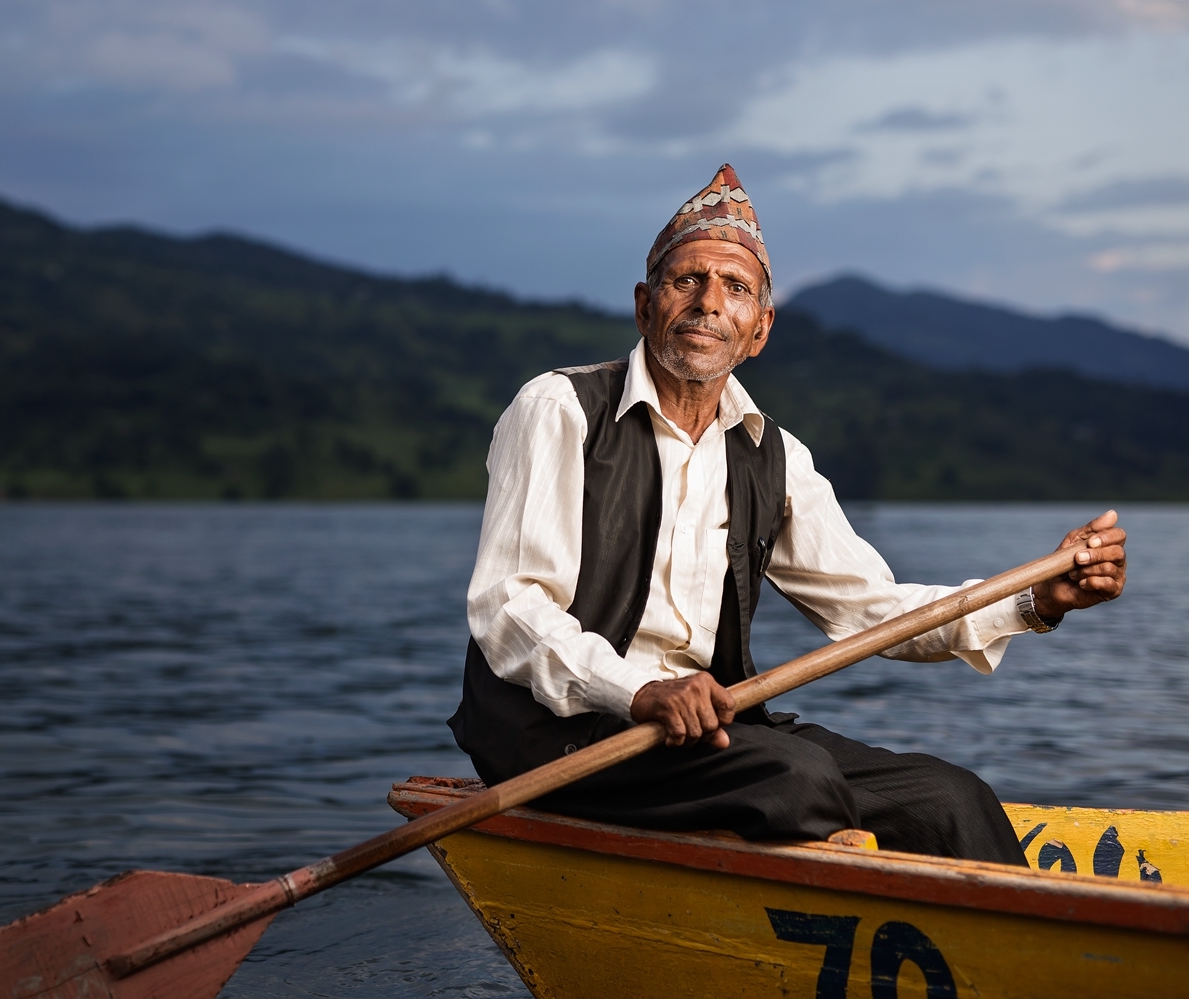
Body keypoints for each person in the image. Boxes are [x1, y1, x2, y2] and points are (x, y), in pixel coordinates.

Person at [447, 164, 1128, 865]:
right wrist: (641, 689)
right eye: (686, 281)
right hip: (565, 735)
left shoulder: (771, 455)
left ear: (759, 330)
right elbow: (509, 608)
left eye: (734, 288)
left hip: (709, 735)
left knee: (949, 797)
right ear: (644, 305)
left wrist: (1034, 600)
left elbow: (871, 611)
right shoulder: (559, 408)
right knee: (792, 777)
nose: (708, 303)